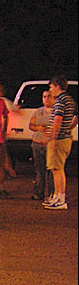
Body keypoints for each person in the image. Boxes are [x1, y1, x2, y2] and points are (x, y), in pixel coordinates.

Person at [42, 75, 78, 210]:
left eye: (51, 86)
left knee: (57, 169)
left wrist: (53, 136)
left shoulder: (60, 101)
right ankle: (57, 196)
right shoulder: (69, 100)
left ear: (57, 86)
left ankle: (60, 198)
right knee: (57, 168)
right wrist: (69, 128)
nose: (50, 89)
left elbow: (57, 120)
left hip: (58, 140)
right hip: (66, 138)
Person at [28, 90, 54, 201]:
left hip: (51, 145)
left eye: (49, 96)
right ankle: (39, 193)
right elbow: (31, 125)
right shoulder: (38, 112)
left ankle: (52, 194)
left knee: (52, 171)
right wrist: (38, 128)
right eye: (44, 97)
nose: (46, 99)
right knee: (39, 171)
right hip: (37, 144)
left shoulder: (56, 113)